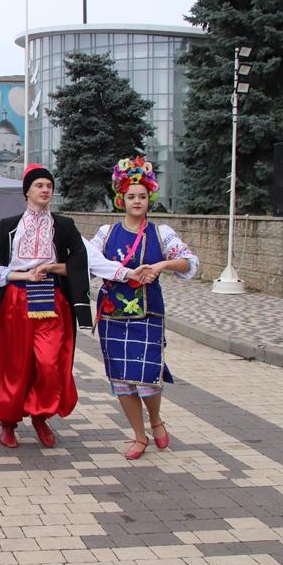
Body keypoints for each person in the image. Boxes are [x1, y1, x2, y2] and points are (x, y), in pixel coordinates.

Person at [0, 164, 92, 449]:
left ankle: (40, 415)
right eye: (39, 185)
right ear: (27, 190)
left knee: (50, 363)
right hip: (16, 301)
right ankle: (8, 422)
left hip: (53, 302)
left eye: (48, 186)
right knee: (14, 365)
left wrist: (56, 266)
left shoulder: (64, 226)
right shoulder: (9, 226)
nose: (44, 190)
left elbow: (83, 262)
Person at [90, 156, 199, 459]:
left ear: (149, 197)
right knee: (122, 379)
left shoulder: (161, 233)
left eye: (142, 196)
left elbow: (189, 262)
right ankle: (139, 436)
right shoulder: (106, 234)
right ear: (120, 199)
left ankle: (155, 419)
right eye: (130, 196)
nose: (137, 201)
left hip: (148, 313)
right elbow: (88, 263)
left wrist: (162, 264)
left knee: (149, 376)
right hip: (113, 314)